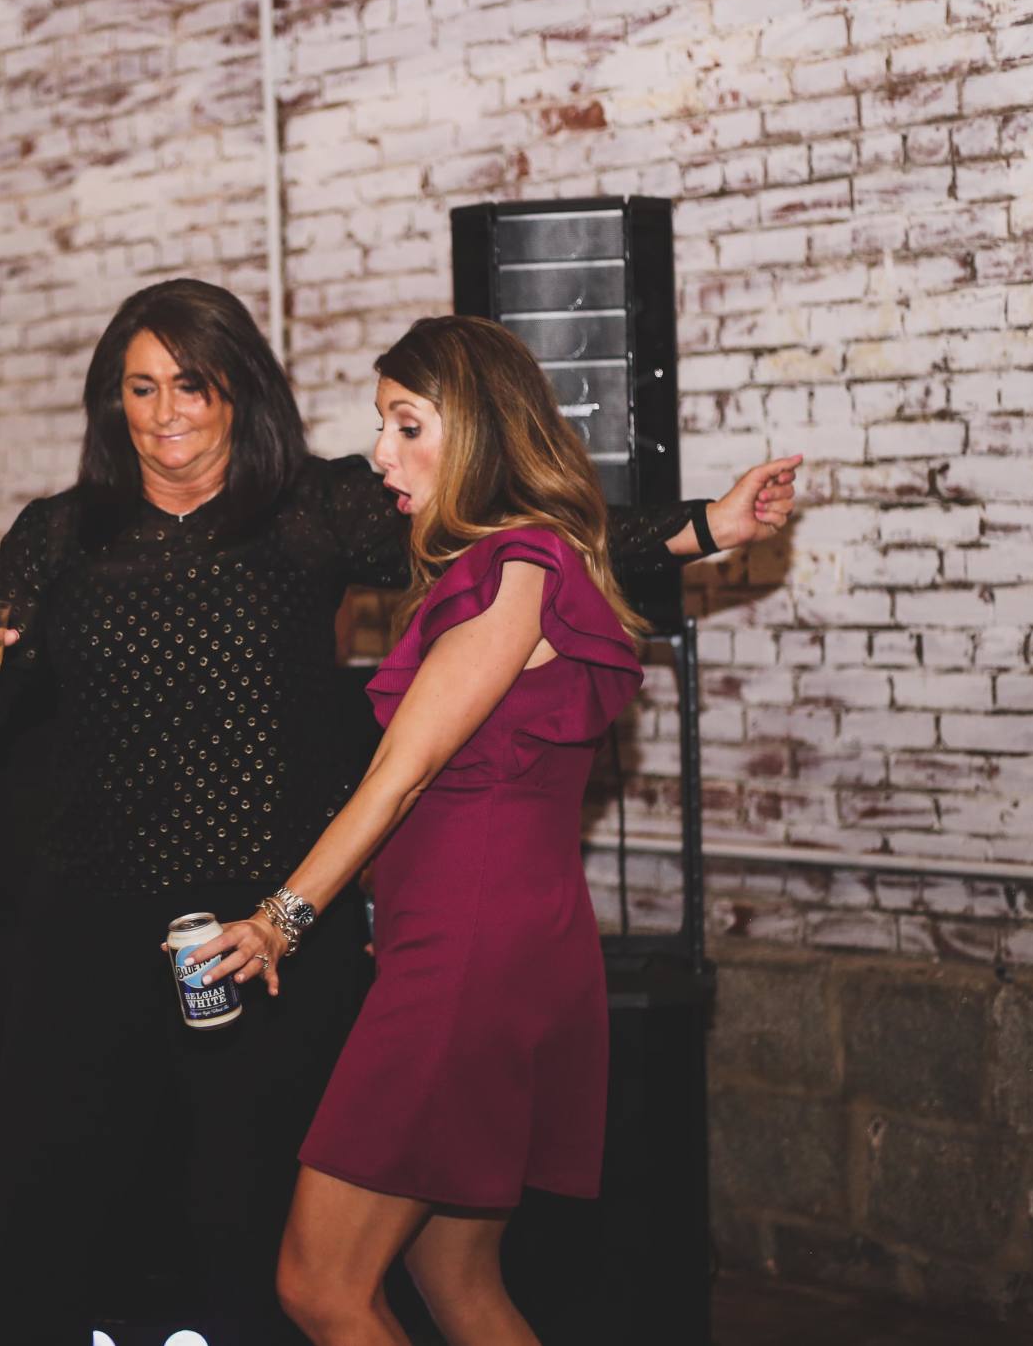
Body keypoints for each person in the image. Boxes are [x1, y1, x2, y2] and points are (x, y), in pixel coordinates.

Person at [0, 279, 797, 1343]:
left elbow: (515, 556)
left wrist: (705, 526)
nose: (165, 412)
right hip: (110, 917)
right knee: (425, 1276)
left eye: (191, 385)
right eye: (138, 389)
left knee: (302, 1260)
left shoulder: (321, 512)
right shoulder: (59, 536)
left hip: (303, 917)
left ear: (241, 391)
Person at [192, 315, 654, 1344]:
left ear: (481, 431)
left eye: (408, 424)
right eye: (380, 425)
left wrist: (280, 920)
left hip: (470, 955)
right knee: (458, 1281)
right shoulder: (509, 567)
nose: (381, 453)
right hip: (490, 938)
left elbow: (400, 780)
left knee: (321, 1285)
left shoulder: (512, 570)